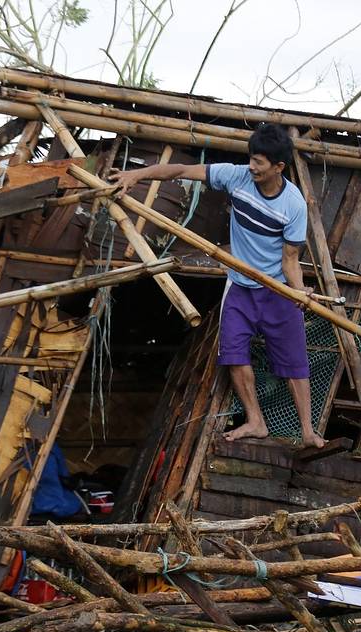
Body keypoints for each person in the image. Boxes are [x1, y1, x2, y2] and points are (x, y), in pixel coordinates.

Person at [109, 123, 325, 448]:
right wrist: (136, 176)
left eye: (260, 162)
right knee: (234, 355)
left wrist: (297, 292)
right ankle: (256, 421)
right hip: (239, 288)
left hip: (277, 289)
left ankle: (308, 431)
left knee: (294, 361)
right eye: (251, 158)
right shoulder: (235, 176)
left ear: (278, 167)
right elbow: (181, 169)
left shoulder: (293, 204)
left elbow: (290, 259)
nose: (252, 166)